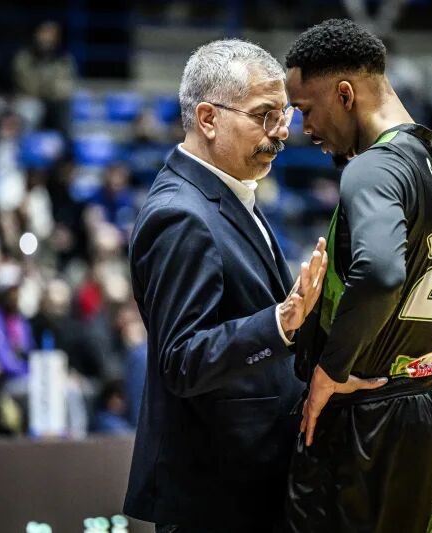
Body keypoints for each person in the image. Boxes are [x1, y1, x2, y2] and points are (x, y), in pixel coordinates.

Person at [283, 19, 432, 533]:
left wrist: (330, 370)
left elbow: (381, 272)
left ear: (345, 94)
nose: (305, 129)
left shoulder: (372, 169)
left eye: (306, 109)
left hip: (367, 419)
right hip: (425, 409)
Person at [123, 40, 328, 532]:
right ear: (208, 118)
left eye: (284, 114)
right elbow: (182, 359)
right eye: (264, 115)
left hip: (249, 485)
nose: (282, 131)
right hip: (214, 497)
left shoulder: (228, 192)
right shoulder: (180, 215)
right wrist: (280, 323)